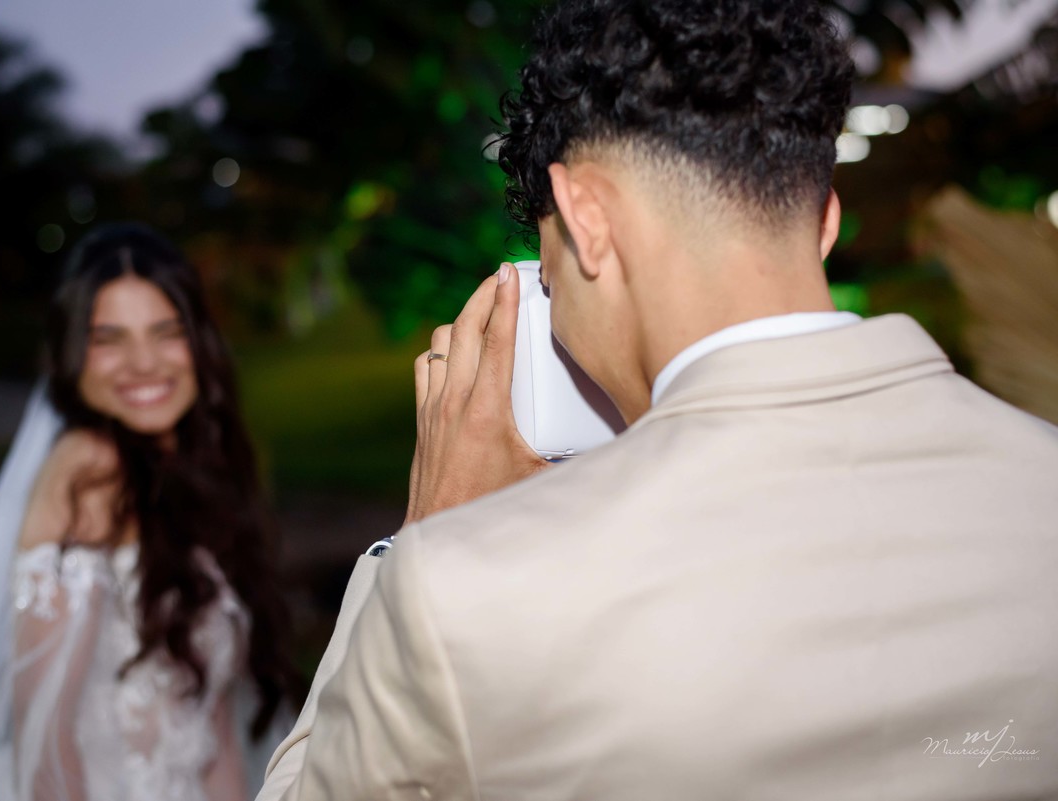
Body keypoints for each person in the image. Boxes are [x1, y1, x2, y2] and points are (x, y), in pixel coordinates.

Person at [256, 1, 1058, 799]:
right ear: (825, 221)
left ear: (587, 219)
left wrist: (419, 540)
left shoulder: (466, 595)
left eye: (549, 275)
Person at [0, 224, 299, 801]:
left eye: (166, 332)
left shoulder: (202, 472)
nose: (143, 362)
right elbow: (45, 738)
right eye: (108, 339)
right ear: (73, 355)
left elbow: (213, 726)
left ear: (199, 342)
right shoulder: (91, 473)